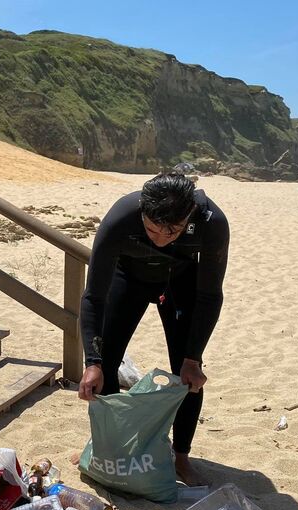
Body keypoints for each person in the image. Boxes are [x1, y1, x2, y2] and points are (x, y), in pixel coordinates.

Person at [78, 172, 229, 486]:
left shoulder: (212, 223)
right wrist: (91, 362)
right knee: (105, 364)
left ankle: (181, 458)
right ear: (142, 212)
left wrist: (193, 356)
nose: (159, 238)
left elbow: (210, 294)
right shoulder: (122, 216)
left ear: (188, 215)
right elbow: (93, 296)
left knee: (188, 375)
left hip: (181, 282)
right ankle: (107, 450)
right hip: (128, 278)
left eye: (171, 232)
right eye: (150, 229)